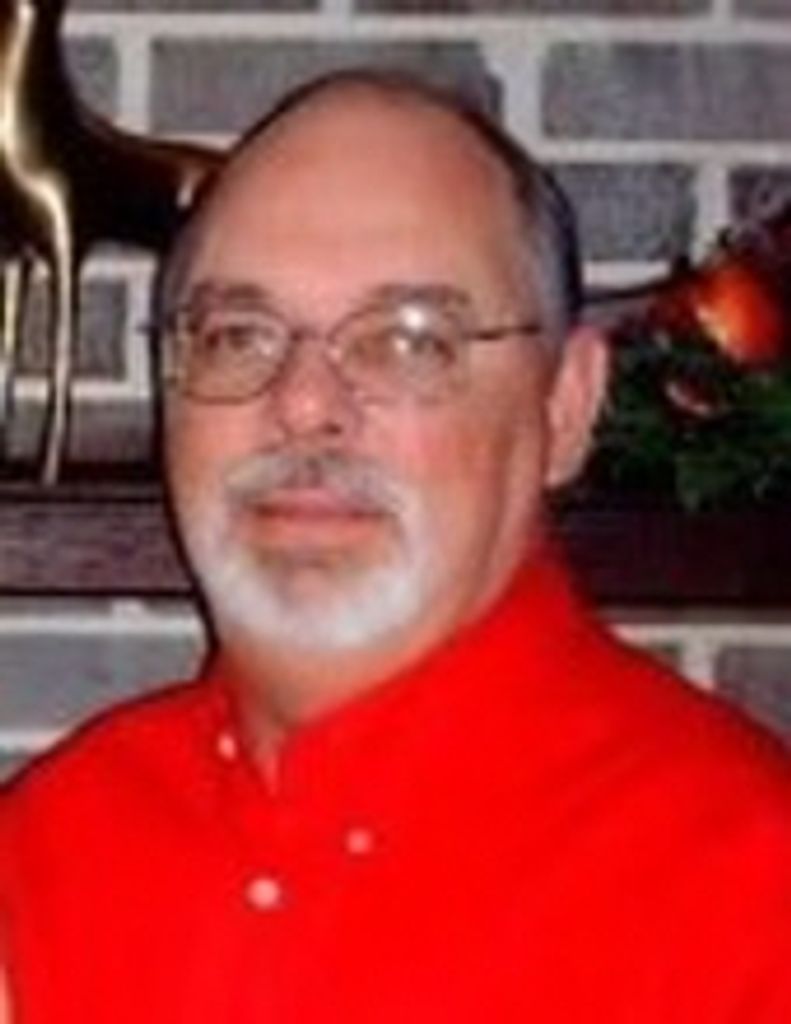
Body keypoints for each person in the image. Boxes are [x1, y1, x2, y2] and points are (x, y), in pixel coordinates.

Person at [1, 69, 790, 1022]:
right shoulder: (50, 848)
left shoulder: (747, 887)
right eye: (238, 334)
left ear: (565, 406)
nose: (303, 405)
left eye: (409, 342)